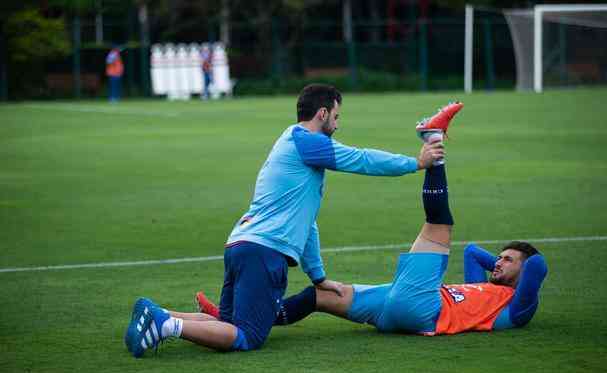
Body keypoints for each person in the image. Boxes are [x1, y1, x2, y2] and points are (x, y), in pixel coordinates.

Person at [124, 84, 447, 357]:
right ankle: (167, 326)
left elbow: (308, 226)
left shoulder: (296, 148)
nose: (338, 124)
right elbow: (359, 159)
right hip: (263, 251)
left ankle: (160, 315)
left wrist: (319, 278)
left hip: (241, 244)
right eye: (336, 116)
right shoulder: (308, 142)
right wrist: (415, 163)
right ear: (322, 114)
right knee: (247, 336)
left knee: (227, 321)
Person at [196, 103, 549, 336]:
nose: (499, 262)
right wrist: (501, 269)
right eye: (501, 257)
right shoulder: (483, 287)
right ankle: (240, 317)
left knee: (440, 223)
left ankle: (434, 139)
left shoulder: (518, 308)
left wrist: (517, 270)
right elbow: (472, 252)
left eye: (509, 260)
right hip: (395, 306)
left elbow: (538, 267)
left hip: (424, 308)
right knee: (321, 295)